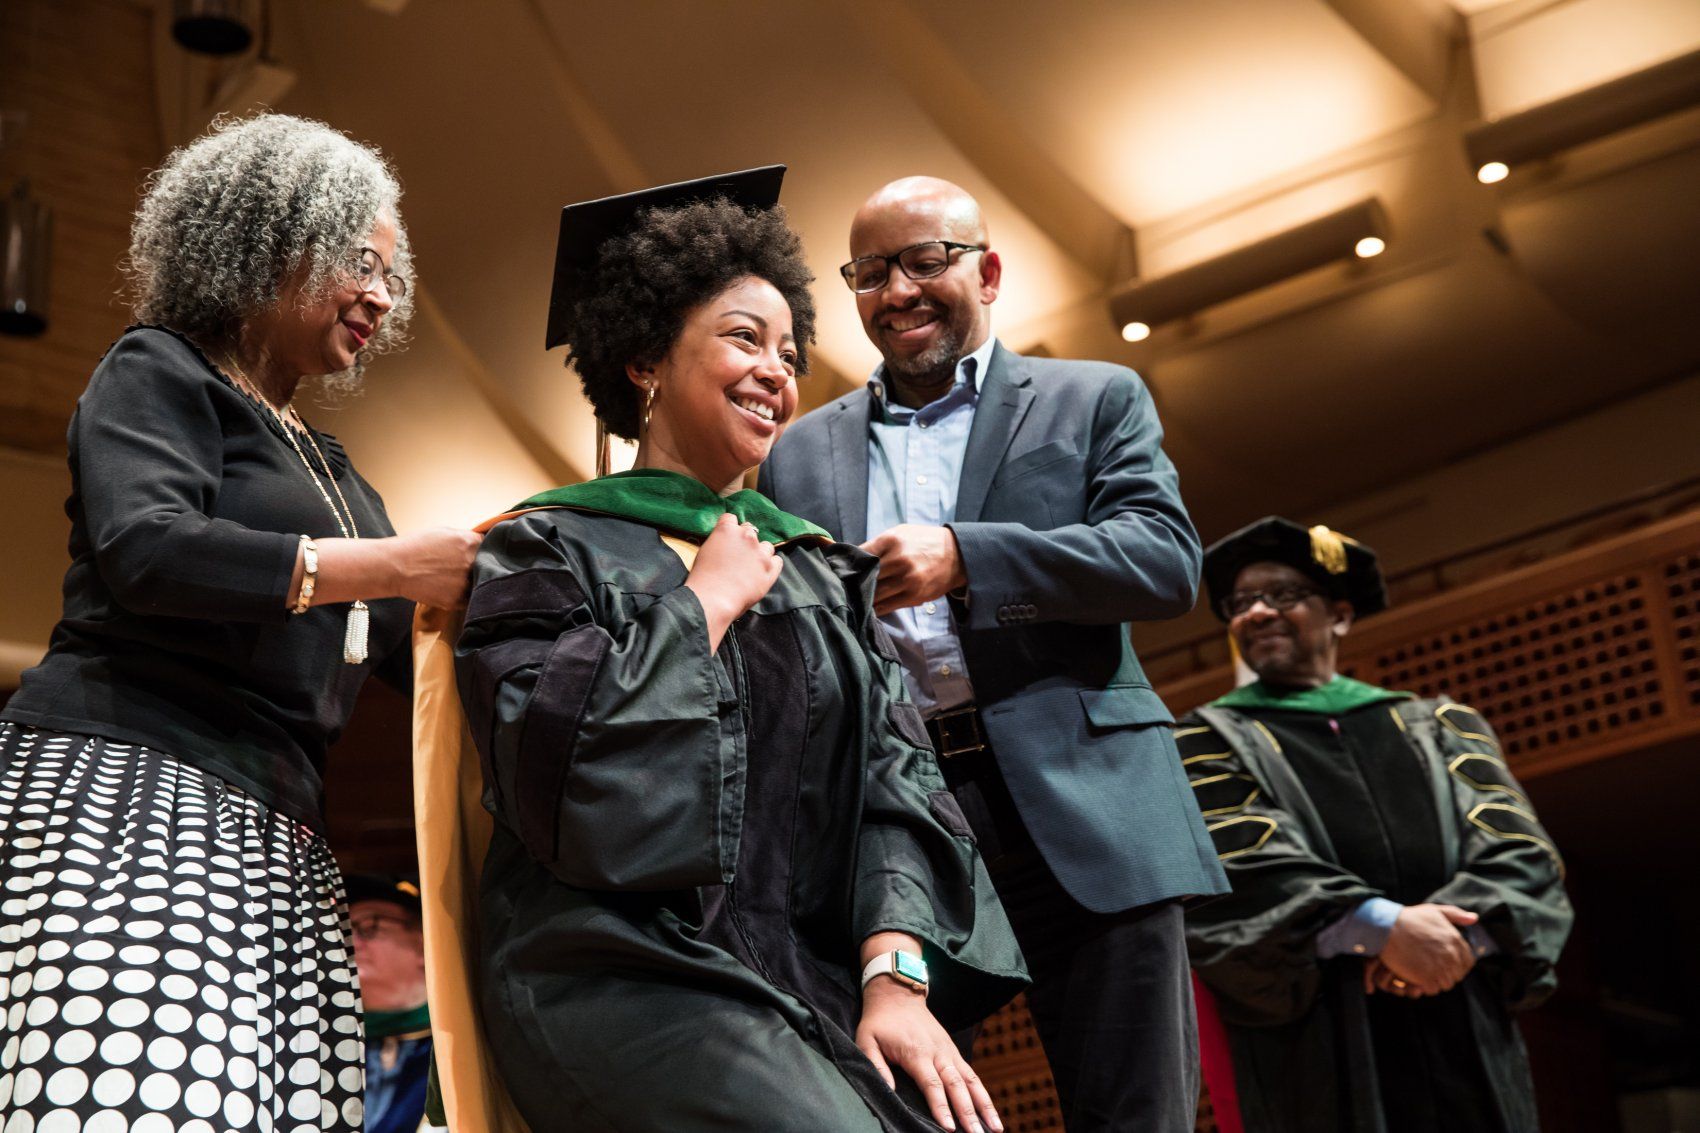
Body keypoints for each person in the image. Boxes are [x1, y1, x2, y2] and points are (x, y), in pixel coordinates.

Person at [442, 167, 1025, 1133]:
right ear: (644, 360)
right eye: (744, 339)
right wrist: (702, 603)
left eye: (790, 352)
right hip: (623, 968)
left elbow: (896, 782)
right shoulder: (542, 547)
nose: (777, 373)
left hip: (805, 973)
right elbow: (566, 775)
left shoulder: (811, 569)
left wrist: (896, 979)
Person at [0, 113, 479, 1130]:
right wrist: (390, 564)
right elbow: (150, 550)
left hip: (279, 833)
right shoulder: (158, 370)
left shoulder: (334, 468)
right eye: (360, 260)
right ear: (269, 238)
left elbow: (427, 649)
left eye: (391, 275)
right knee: (129, 1090)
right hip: (134, 789)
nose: (382, 296)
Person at [760, 176, 1229, 1132]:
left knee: (1139, 1112)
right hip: (903, 824)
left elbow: (1165, 563)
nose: (898, 291)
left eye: (926, 261)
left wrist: (969, 556)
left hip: (1091, 803)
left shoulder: (1093, 395)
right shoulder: (795, 455)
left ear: (990, 269)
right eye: (871, 272)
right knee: (916, 1112)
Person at [1176, 516, 1574, 1133]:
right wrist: (1382, 929)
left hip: (1461, 1011)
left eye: (1281, 595)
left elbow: (1520, 853)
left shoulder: (1440, 725)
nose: (1256, 613)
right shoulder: (1202, 740)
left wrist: (1444, 942)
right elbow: (1239, 867)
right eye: (1241, 602)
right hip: (1317, 1035)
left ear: (1338, 614)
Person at [347, 875, 436, 1133]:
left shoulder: (469, 1043)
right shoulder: (313, 1041)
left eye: (367, 925)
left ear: (423, 940)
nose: (348, 940)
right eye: (340, 927)